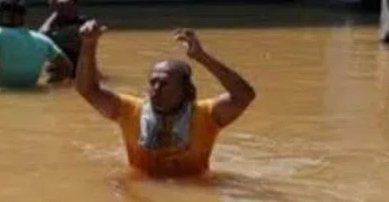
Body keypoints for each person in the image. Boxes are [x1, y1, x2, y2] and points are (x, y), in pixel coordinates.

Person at [75, 23, 256, 178]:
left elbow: (244, 96)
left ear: (185, 90)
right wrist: (88, 45)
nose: (156, 88)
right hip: (144, 196)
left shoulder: (206, 115)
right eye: (153, 82)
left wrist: (202, 57)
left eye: (165, 83)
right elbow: (88, 90)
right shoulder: (129, 111)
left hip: (193, 192)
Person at [0, 0, 72, 89]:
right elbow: (67, 67)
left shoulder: (0, 33)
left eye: (1, 14)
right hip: (33, 97)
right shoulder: (43, 40)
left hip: (4, 99)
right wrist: (48, 85)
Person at [39, 0, 86, 81]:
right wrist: (56, 14)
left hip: (76, 73)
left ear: (75, 6)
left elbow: (45, 37)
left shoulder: (82, 25)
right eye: (60, 6)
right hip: (57, 71)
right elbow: (40, 38)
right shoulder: (56, 23)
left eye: (67, 6)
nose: (64, 9)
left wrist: (55, 15)